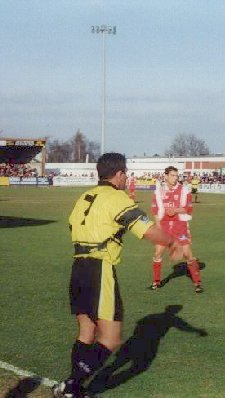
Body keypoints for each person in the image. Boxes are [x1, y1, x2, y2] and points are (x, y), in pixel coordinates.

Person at [52, 153, 182, 398]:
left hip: (78, 265)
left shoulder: (84, 197)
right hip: (99, 268)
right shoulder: (117, 198)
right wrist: (172, 242)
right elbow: (146, 229)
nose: (126, 178)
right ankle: (71, 385)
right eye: (126, 174)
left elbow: (73, 225)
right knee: (111, 339)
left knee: (86, 333)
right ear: (120, 174)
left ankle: (75, 388)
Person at [150, 166, 203, 293]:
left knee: (187, 254)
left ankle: (197, 282)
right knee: (157, 253)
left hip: (180, 224)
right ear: (166, 176)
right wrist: (158, 227)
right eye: (172, 175)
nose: (175, 178)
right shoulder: (159, 191)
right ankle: (156, 282)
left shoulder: (184, 190)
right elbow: (155, 210)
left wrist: (175, 210)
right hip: (164, 225)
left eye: (176, 176)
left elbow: (188, 209)